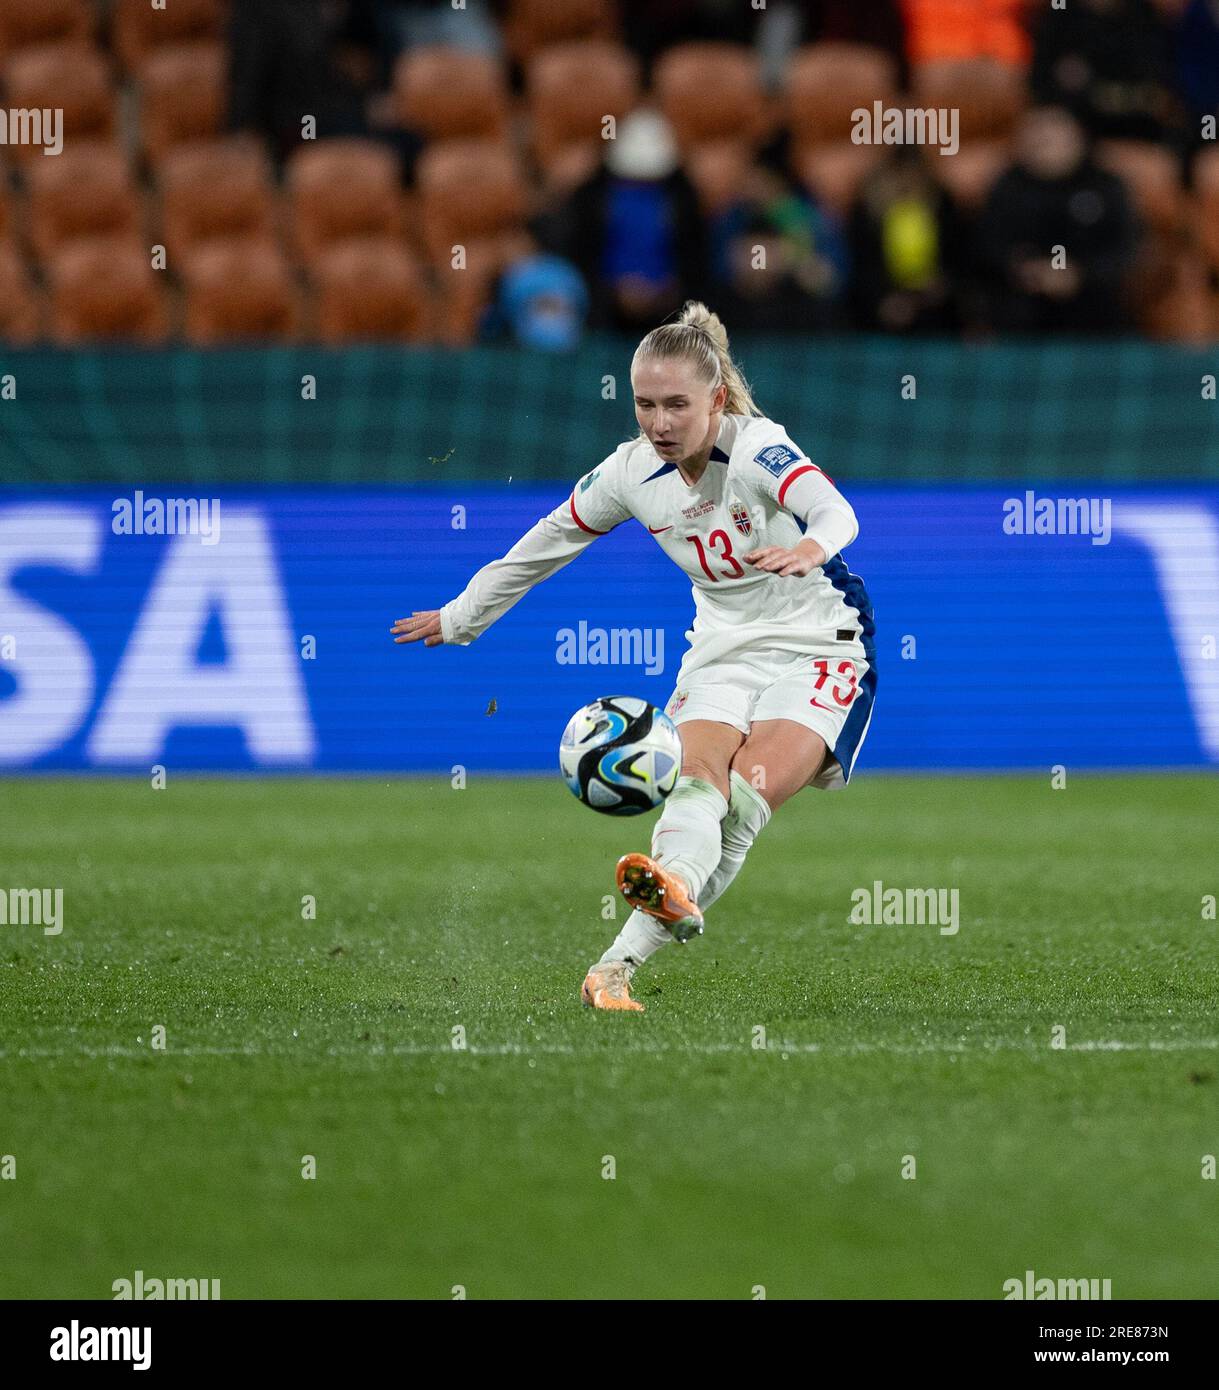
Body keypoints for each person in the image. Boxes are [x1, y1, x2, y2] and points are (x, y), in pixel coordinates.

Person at [392, 302, 876, 1012]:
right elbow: (542, 544)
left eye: (677, 404)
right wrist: (462, 617)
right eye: (645, 404)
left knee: (744, 797)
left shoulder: (756, 447)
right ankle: (637, 939)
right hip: (720, 650)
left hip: (819, 643)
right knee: (693, 787)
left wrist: (809, 546)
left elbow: (836, 511)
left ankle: (616, 962)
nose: (660, 423)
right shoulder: (627, 473)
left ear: (715, 399)